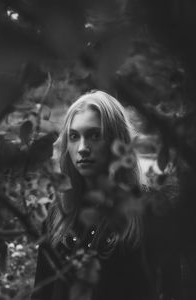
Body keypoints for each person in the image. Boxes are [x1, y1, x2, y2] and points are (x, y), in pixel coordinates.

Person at [31, 90, 152, 300]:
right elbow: (41, 294)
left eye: (95, 135)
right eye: (74, 136)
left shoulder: (145, 209)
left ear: (117, 141)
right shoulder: (57, 213)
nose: (83, 148)